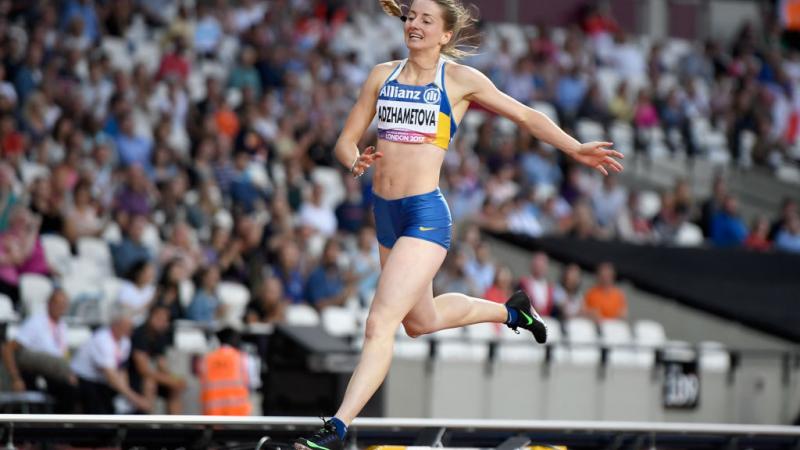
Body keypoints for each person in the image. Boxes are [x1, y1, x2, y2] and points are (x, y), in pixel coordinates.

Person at [291, 1, 624, 448]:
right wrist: (355, 162)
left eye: (426, 20)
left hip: (425, 216)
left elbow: (526, 115)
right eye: (411, 17)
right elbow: (344, 142)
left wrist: (575, 148)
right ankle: (512, 311)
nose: (414, 25)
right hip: (385, 214)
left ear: (446, 35)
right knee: (419, 322)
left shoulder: (459, 80)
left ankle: (338, 426)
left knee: (380, 323)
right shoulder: (381, 75)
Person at [1, 289, 77, 413]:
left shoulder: (62, 326)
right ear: (49, 304)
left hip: (53, 374)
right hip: (35, 373)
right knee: (71, 389)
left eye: (64, 304)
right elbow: (8, 348)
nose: (60, 308)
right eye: (57, 303)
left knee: (76, 388)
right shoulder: (36, 323)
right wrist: (15, 378)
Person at [71, 308, 152, 414]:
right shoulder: (102, 340)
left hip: (102, 381)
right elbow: (111, 376)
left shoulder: (125, 341)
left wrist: (128, 395)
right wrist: (135, 398)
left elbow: (122, 370)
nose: (131, 330)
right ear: (116, 325)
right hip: (84, 379)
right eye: (127, 326)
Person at [128, 304, 186, 414]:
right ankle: (146, 420)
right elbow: (143, 370)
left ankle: (176, 424)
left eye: (165, 319)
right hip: (133, 377)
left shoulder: (159, 336)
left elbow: (161, 363)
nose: (163, 322)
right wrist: (168, 379)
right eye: (160, 318)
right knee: (150, 383)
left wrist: (174, 378)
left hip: (150, 375)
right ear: (151, 316)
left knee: (175, 387)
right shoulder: (139, 334)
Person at [198, 327, 254, 416]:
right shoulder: (243, 358)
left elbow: (201, 382)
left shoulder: (206, 359)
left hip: (212, 415)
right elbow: (252, 385)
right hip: (238, 416)